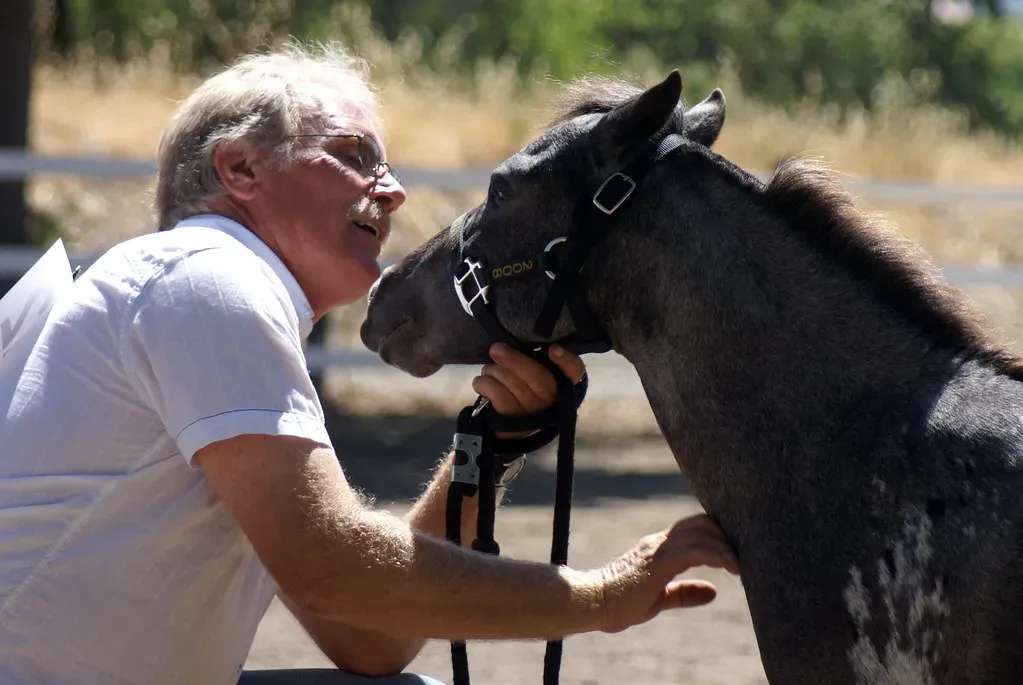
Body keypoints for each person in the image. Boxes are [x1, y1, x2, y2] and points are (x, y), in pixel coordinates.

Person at [0, 42, 739, 685]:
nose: (393, 190)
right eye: (354, 156)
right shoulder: (208, 274)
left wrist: (488, 448)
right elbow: (332, 571)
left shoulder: (193, 294)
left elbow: (369, 639)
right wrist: (600, 596)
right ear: (240, 168)